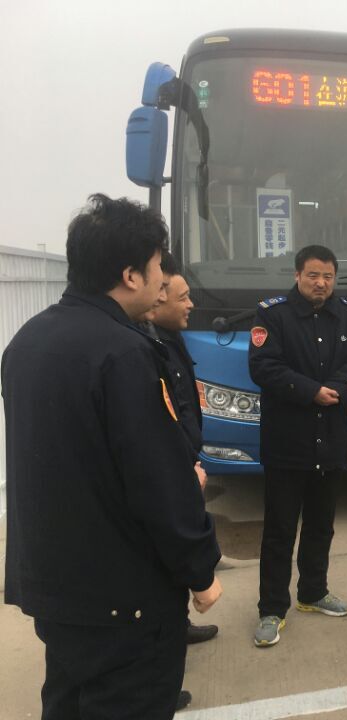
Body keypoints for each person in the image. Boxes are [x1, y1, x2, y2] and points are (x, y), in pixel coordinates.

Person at [2, 194, 222, 719]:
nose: (162, 282)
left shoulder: (27, 340)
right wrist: (201, 571)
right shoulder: (124, 353)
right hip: (125, 600)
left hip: (55, 589)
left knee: (68, 703)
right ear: (130, 275)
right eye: (157, 268)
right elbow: (158, 483)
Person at [249, 244, 347, 648]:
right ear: (298, 275)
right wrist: (310, 392)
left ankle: (313, 592)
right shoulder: (272, 315)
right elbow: (264, 366)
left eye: (328, 276)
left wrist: (335, 388)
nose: (321, 283)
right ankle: (271, 609)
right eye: (314, 275)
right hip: (288, 443)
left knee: (321, 525)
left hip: (331, 439)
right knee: (280, 530)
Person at [149, 256, 221, 652]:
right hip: (176, 468)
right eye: (184, 297)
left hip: (187, 459)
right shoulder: (143, 348)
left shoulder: (170, 338)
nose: (191, 304)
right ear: (158, 297)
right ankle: (168, 635)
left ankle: (179, 623)